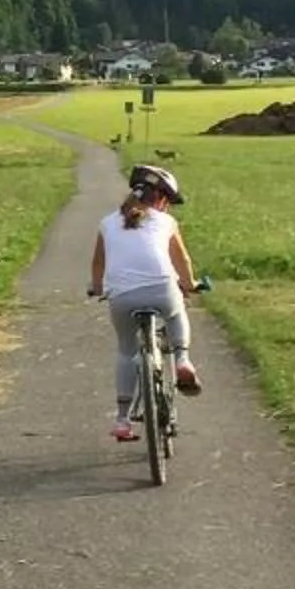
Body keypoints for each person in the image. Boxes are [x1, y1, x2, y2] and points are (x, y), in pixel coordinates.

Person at [89, 162, 200, 441]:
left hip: (122, 296)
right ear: (161, 199)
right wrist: (189, 285)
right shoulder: (166, 222)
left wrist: (97, 288)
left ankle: (123, 420)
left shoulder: (107, 223)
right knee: (176, 314)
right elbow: (182, 261)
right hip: (161, 287)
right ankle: (183, 359)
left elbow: (98, 264)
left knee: (127, 351)